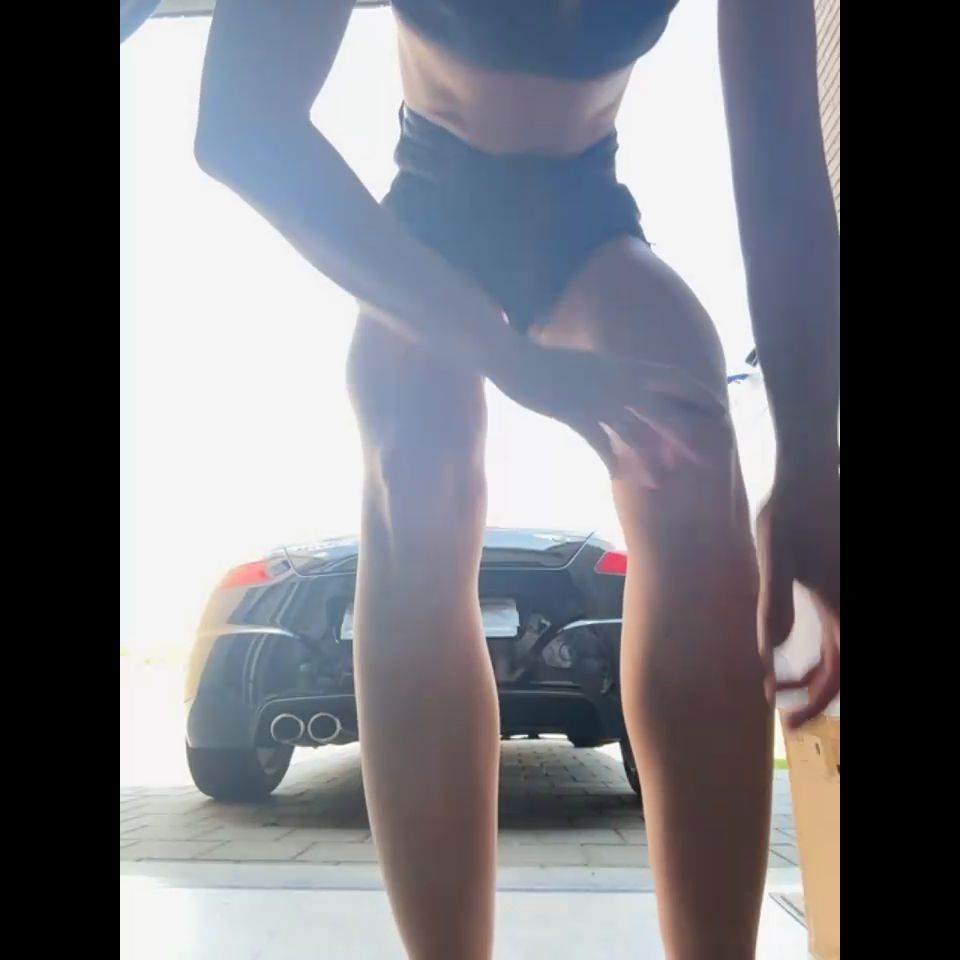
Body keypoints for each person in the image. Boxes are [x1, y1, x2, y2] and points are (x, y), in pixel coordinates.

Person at [193, 1, 840, 956]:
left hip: (585, 213)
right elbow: (241, 124)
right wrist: (508, 357)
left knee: (689, 445)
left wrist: (814, 467)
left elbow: (782, 155)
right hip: (429, 222)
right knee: (416, 462)